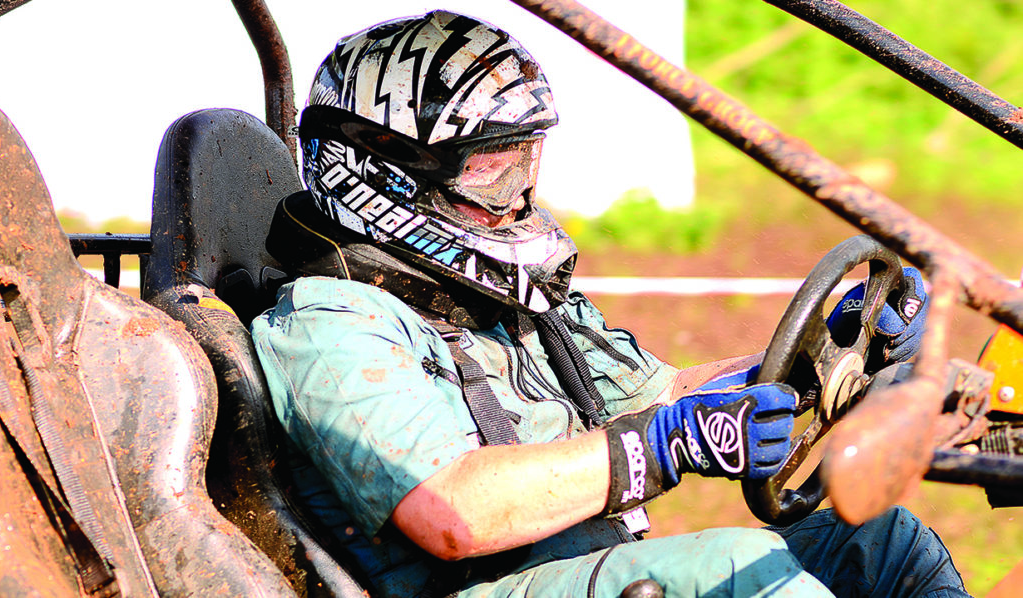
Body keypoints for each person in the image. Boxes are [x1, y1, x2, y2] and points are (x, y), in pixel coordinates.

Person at [252, 10, 967, 598]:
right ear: (384, 173)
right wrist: (664, 446)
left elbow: (667, 397)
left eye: (524, 162)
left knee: (881, 544)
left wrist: (820, 356)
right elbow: (453, 510)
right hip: (472, 585)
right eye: (491, 171)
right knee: (736, 567)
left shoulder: (503, 297)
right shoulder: (331, 324)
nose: (518, 198)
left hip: (580, 570)